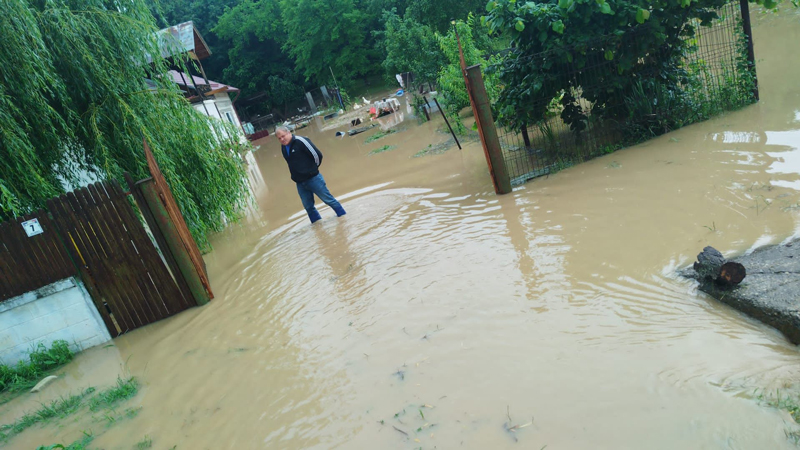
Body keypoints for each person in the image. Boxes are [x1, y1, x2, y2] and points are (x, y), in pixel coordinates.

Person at [275, 126, 346, 223]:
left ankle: (344, 218)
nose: (282, 139)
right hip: (300, 183)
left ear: (288, 133)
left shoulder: (301, 141)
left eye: (283, 136)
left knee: (329, 200)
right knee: (308, 207)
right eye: (279, 138)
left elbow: (317, 155)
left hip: (313, 178)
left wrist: (312, 169)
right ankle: (317, 225)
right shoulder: (283, 147)